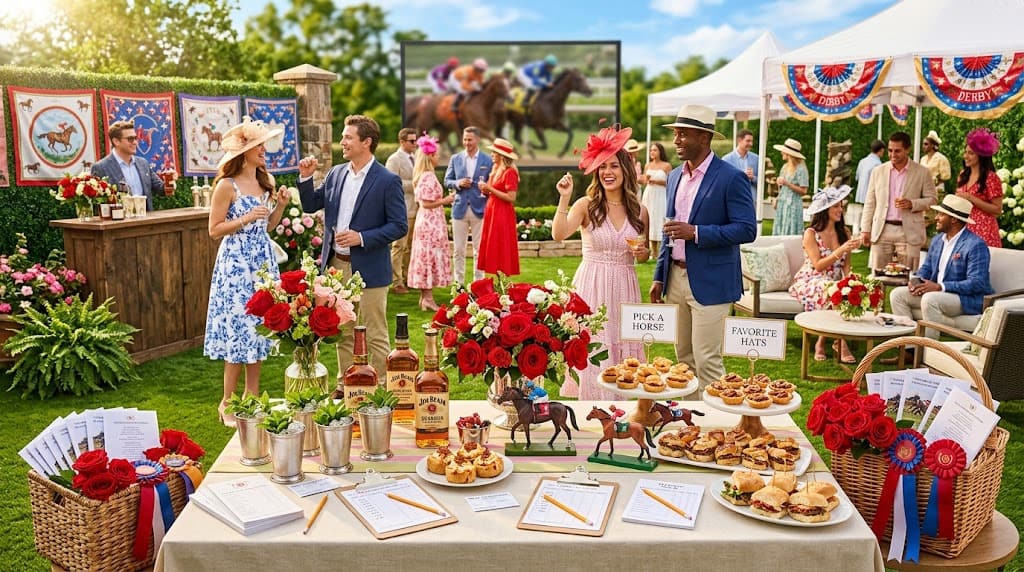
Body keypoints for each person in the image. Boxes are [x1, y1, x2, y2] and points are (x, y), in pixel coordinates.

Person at [650, 104, 757, 391]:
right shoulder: (674, 176)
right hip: (674, 279)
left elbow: (747, 229)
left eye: (683, 134)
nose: (676, 141)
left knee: (707, 360)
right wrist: (660, 275)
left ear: (704, 138)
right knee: (682, 361)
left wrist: (695, 232)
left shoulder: (730, 177)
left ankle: (715, 428)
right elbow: (669, 227)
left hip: (712, 283)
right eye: (675, 133)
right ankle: (689, 429)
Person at [297, 114, 407, 378]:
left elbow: (399, 225)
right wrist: (305, 179)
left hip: (370, 269)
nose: (342, 142)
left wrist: (363, 237)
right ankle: (348, 384)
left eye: (348, 137)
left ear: (366, 142)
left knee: (375, 333)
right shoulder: (336, 174)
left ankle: (380, 387)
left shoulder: (386, 180)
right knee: (343, 331)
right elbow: (312, 204)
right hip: (337, 267)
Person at [203, 117, 290, 427]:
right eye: (259, 146)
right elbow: (214, 230)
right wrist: (246, 217)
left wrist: (278, 206)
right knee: (238, 331)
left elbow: (267, 227)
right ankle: (227, 401)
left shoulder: (266, 183)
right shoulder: (226, 186)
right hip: (236, 266)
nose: (264, 150)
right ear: (245, 151)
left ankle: (253, 399)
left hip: (262, 263)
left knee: (259, 332)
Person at [552, 126, 649, 400]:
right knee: (593, 345)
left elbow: (643, 255)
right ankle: (592, 411)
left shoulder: (640, 211)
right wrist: (564, 197)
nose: (608, 172)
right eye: (602, 166)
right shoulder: (586, 205)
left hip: (625, 287)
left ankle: (621, 411)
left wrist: (641, 252)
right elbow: (558, 234)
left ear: (625, 170)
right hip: (590, 286)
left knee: (622, 347)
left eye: (614, 166)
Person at [889, 194, 993, 341]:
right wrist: (916, 280)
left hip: (966, 299)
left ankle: (927, 352)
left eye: (941, 214)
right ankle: (907, 348)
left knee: (930, 299)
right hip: (938, 293)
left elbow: (977, 283)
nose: (936, 218)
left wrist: (940, 287)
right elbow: (927, 268)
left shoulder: (975, 245)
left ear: (954, 219)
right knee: (897, 295)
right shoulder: (938, 240)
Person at [788, 185, 862, 363]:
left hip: (832, 281)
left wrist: (850, 280)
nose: (840, 210)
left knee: (843, 290)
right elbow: (818, 266)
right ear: (825, 210)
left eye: (841, 206)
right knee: (832, 290)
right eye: (836, 206)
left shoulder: (844, 232)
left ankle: (821, 342)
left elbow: (846, 265)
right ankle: (841, 343)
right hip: (810, 279)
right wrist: (841, 249)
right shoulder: (811, 233)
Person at [860, 131, 937, 272]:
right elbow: (870, 202)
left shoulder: (922, 172)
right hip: (882, 230)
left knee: (909, 278)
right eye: (890, 150)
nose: (892, 155)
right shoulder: (878, 171)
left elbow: (932, 200)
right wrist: (865, 229)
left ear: (907, 149)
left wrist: (913, 204)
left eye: (897, 151)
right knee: (877, 279)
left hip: (909, 232)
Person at [406, 133, 454, 311]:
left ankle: (425, 298)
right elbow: (426, 203)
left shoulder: (424, 175)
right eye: (437, 154)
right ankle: (428, 298)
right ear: (430, 156)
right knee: (429, 256)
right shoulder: (427, 176)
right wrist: (446, 200)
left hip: (428, 221)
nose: (439, 157)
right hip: (430, 223)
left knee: (427, 257)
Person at [444, 126, 493, 284]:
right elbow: (447, 181)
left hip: (480, 208)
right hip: (459, 209)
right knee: (458, 250)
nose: (466, 143)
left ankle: (479, 283)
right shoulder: (455, 158)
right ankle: (459, 284)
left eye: (469, 139)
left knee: (480, 250)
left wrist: (486, 187)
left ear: (477, 139)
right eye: (464, 139)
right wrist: (458, 183)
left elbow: (492, 183)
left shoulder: (487, 160)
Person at [90, 120, 167, 211]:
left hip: (146, 222)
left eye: (135, 138)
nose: (135, 142)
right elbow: (97, 204)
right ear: (116, 141)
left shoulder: (143, 163)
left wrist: (170, 181)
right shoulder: (100, 167)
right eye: (130, 139)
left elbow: (161, 189)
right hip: (118, 223)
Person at [476, 138, 520, 276]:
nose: (491, 155)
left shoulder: (509, 172)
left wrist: (490, 189)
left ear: (501, 155)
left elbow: (511, 197)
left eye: (494, 152)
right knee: (493, 243)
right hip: (492, 209)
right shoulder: (495, 170)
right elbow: (492, 190)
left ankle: (504, 278)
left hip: (502, 212)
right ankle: (497, 278)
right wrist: (485, 190)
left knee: (501, 243)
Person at [955, 128, 1004, 247]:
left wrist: (971, 198)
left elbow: (997, 209)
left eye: (971, 153)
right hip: (963, 228)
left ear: (981, 156)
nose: (966, 156)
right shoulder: (963, 175)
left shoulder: (991, 178)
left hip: (984, 231)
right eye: (965, 152)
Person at [386, 128, 418, 295]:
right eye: (412, 141)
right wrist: (416, 183)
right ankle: (396, 281)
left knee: (411, 247)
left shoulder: (417, 157)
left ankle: (408, 278)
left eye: (416, 140)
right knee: (399, 246)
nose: (415, 144)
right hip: (401, 210)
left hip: (417, 209)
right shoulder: (394, 159)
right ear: (402, 142)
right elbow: (391, 184)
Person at [772, 138, 808, 235]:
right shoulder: (785, 167)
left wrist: (787, 183)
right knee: (780, 229)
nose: (781, 153)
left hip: (793, 206)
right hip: (783, 204)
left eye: (783, 151)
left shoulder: (801, 168)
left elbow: (804, 191)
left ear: (789, 154)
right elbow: (783, 188)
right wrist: (777, 198)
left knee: (790, 231)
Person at [640, 142, 672, 254]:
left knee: (660, 218)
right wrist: (643, 179)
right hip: (649, 194)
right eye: (651, 150)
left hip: (661, 195)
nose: (652, 152)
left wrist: (657, 181)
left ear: (660, 152)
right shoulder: (647, 166)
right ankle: (652, 251)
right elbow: (644, 181)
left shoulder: (666, 166)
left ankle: (661, 250)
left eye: (655, 150)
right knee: (650, 219)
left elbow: (670, 183)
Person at [721, 129, 759, 204]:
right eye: (748, 141)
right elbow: (723, 182)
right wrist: (740, 176)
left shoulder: (756, 158)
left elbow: (761, 182)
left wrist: (753, 178)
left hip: (752, 201)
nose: (751, 144)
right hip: (733, 200)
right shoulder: (726, 159)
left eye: (752, 141)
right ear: (739, 140)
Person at [921, 130, 952, 195]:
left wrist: (935, 182)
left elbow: (946, 176)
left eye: (926, 144)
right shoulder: (923, 159)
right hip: (924, 190)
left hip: (937, 189)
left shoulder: (941, 158)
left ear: (932, 145)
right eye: (923, 144)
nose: (923, 146)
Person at [854, 139, 885, 204]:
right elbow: (879, 184)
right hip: (871, 197)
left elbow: (857, 178)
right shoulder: (878, 164)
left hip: (861, 196)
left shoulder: (862, 161)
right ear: (881, 150)